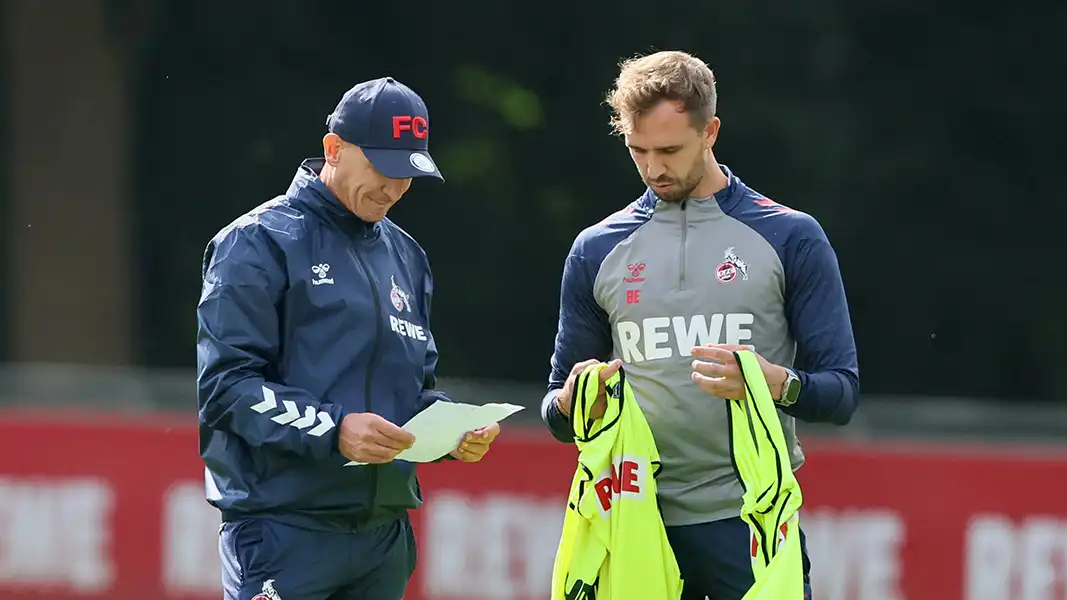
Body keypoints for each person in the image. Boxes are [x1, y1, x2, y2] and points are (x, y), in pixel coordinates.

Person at [540, 50, 860, 600]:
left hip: (749, 519)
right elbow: (556, 411)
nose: (653, 168)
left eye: (670, 150)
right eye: (638, 151)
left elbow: (841, 392)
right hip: (633, 519)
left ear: (710, 131)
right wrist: (573, 406)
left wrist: (773, 382)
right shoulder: (596, 249)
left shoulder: (790, 236)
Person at [197, 76, 500, 600]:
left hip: (383, 538)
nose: (394, 189)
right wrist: (334, 429)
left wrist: (451, 430)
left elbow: (411, 390)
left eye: (408, 175)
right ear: (333, 149)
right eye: (383, 170)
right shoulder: (256, 241)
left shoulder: (408, 255)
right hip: (283, 531)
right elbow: (226, 388)